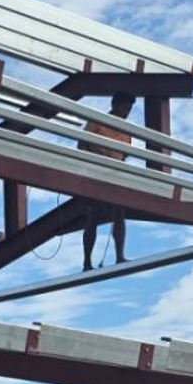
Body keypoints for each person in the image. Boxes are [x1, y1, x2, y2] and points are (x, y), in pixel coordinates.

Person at [77, 94, 137, 272]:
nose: (125, 112)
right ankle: (87, 262)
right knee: (93, 215)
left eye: (128, 110)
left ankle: (120, 256)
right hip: (96, 173)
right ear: (114, 104)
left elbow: (124, 155)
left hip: (115, 175)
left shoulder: (126, 130)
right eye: (123, 108)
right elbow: (82, 145)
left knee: (119, 212)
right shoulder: (97, 122)